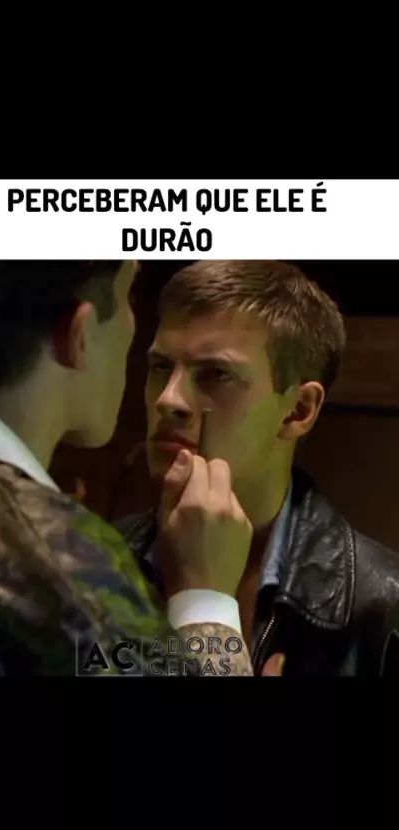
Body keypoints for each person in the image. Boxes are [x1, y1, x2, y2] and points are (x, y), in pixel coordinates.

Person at [0, 260, 262, 676]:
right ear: (79, 335)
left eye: (216, 374)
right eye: (127, 296)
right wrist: (206, 604)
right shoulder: (64, 572)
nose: (168, 400)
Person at [115, 260, 399, 676]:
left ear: (298, 410)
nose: (168, 399)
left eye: (216, 374)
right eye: (161, 367)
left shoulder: (383, 607)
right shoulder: (87, 563)